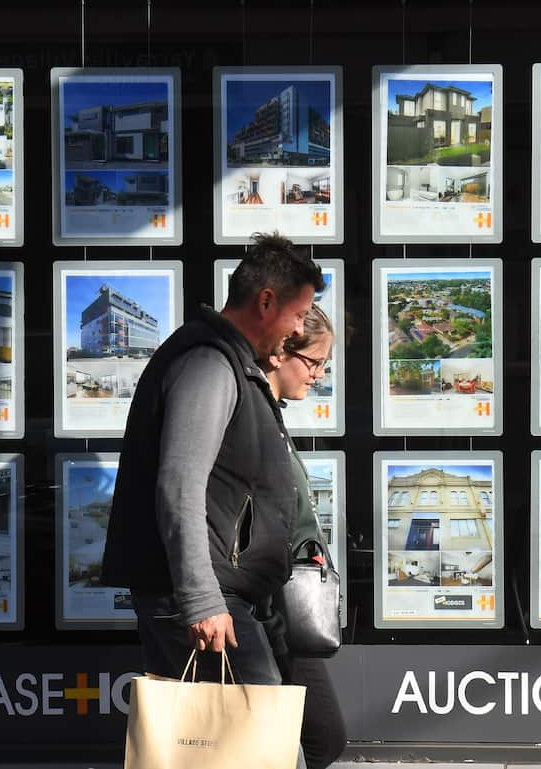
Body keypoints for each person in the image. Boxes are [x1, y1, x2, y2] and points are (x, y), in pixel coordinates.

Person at [101, 232, 324, 701]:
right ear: (266, 301)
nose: (297, 328)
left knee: (226, 746)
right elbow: (179, 486)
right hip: (204, 598)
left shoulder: (230, 361)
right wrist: (202, 600)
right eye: (299, 314)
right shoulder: (209, 363)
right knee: (261, 743)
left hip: (219, 593)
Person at [263, 305, 347, 769]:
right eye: (314, 362)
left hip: (284, 608)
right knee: (322, 738)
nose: (318, 374)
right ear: (281, 353)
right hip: (272, 612)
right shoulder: (256, 419)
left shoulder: (272, 418)